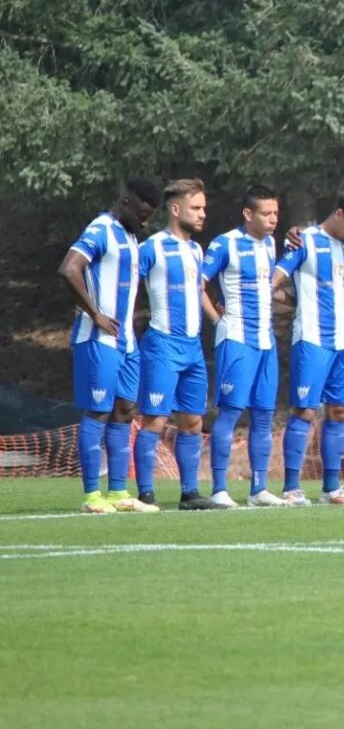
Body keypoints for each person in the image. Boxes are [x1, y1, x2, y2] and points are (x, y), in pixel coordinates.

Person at [57, 178, 161, 514]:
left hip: (127, 342)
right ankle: (91, 496)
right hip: (97, 338)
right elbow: (69, 268)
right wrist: (96, 313)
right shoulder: (101, 229)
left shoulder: (131, 237)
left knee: (125, 410)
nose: (145, 221)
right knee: (99, 411)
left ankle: (118, 492)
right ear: (126, 202)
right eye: (143, 213)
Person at [272, 189, 344, 506]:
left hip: (342, 340)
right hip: (312, 340)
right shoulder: (304, 241)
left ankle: (332, 489)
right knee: (304, 410)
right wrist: (290, 302)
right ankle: (291, 488)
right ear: (340, 214)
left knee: (340, 411)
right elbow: (273, 282)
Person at [133, 179, 220, 511]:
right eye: (196, 208)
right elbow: (126, 283)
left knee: (193, 423)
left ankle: (189, 493)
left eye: (203, 208)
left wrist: (216, 320)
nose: (202, 214)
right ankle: (145, 494)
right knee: (154, 419)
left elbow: (197, 291)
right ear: (175, 209)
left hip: (193, 348)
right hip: (162, 345)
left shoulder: (196, 250)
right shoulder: (152, 247)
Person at [202, 183, 286, 508]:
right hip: (237, 339)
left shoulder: (269, 245)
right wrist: (216, 320)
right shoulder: (225, 243)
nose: (273, 219)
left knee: (264, 416)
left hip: (266, 342)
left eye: (276, 213)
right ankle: (220, 489)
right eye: (267, 213)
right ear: (248, 213)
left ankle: (258, 489)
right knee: (231, 412)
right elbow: (199, 284)